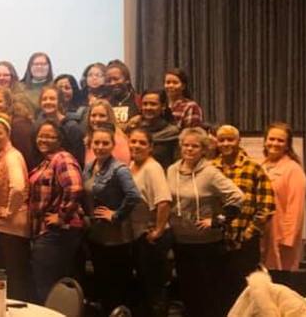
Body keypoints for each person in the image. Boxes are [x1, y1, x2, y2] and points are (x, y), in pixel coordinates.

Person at [168, 126, 244, 317]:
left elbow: (237, 197)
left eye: (195, 146)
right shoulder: (171, 170)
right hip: (180, 242)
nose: (189, 149)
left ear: (203, 149)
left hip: (207, 244)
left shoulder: (210, 173)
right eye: (186, 145)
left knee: (208, 293)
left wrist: (218, 220)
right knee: (187, 290)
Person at [213, 124, 276, 311]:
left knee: (245, 291)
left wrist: (251, 231)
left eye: (230, 139)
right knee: (220, 289)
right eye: (222, 140)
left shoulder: (254, 168)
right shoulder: (211, 168)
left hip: (245, 242)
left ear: (239, 141)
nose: (226, 143)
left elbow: (267, 204)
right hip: (217, 241)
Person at [83, 125, 142, 316]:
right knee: (101, 284)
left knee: (116, 287)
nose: (100, 147)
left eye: (105, 143)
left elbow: (134, 196)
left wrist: (115, 215)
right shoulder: (90, 167)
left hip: (116, 238)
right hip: (96, 235)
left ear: (112, 145)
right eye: (96, 143)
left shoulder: (120, 169)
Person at [29, 120, 85, 304]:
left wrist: (61, 216)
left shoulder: (63, 158)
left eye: (49, 136)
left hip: (58, 232)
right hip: (46, 232)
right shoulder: (46, 162)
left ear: (59, 139)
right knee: (45, 283)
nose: (43, 140)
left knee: (48, 286)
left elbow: (75, 187)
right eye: (40, 136)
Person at [0, 116, 30, 301]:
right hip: (0, 226)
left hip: (12, 227)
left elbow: (18, 188)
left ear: (8, 134)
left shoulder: (12, 156)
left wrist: (9, 211)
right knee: (2, 275)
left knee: (14, 276)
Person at [127, 127, 173, 317]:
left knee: (154, 289)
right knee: (143, 287)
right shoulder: (132, 165)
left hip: (152, 237)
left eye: (142, 143)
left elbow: (164, 202)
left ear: (151, 147)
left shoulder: (153, 168)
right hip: (138, 234)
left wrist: (158, 231)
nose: (136, 146)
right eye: (133, 141)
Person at [260, 122, 306, 276]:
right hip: (261, 235)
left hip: (281, 239)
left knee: (280, 280)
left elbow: (296, 207)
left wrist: (287, 239)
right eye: (271, 139)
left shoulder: (293, 170)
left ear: (287, 145)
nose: (275, 143)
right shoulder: (260, 166)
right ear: (265, 141)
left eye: (280, 140)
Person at [124, 90, 179, 167]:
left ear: (163, 106)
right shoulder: (133, 129)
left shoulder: (172, 132)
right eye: (145, 104)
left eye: (153, 104)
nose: (148, 107)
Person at [35, 85, 84, 166]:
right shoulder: (37, 125)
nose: (48, 102)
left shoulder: (72, 127)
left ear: (60, 102)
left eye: (52, 99)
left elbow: (78, 157)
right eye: (44, 99)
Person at [84, 100, 130, 165]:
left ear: (110, 118)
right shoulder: (89, 140)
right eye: (93, 115)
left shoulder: (118, 140)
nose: (97, 119)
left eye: (102, 116)